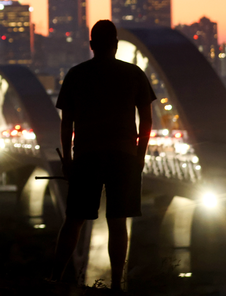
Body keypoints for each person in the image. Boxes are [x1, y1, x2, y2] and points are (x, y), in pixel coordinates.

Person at [51, 20, 156, 291]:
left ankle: (55, 279)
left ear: (91, 45)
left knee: (74, 220)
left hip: (87, 155)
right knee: (118, 222)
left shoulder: (76, 74)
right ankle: (117, 284)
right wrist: (140, 155)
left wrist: (68, 160)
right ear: (116, 45)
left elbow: (66, 123)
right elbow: (147, 120)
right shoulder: (134, 73)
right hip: (123, 156)